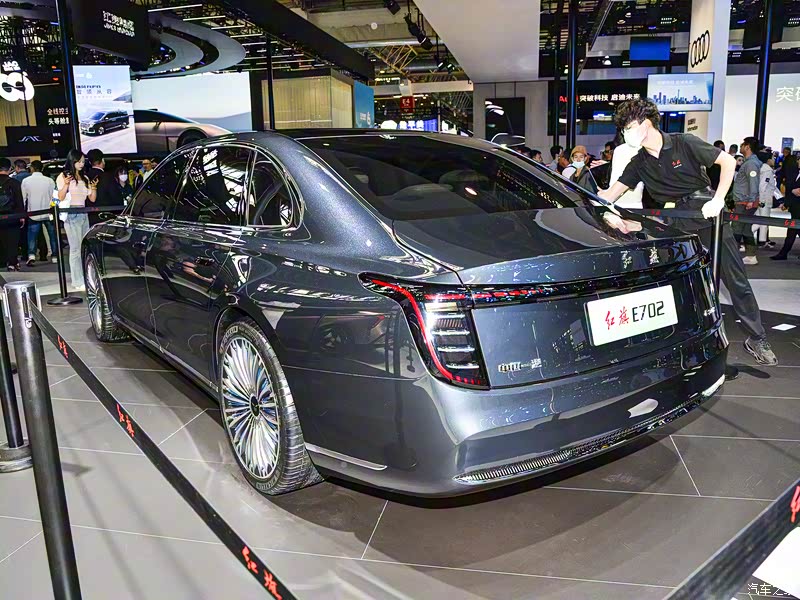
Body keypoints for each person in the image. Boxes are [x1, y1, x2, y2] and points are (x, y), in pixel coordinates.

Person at [598, 98, 777, 366]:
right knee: (678, 284)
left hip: (707, 216)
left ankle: (757, 337)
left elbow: (727, 162)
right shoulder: (639, 162)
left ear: (646, 123)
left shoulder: (683, 142)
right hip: (673, 223)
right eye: (623, 129)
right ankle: (685, 345)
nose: (626, 133)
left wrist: (718, 199)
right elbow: (611, 194)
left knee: (735, 280)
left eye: (629, 126)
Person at [56, 150, 97, 291]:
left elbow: (92, 199)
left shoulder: (84, 177)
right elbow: (60, 197)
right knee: (75, 249)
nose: (81, 164)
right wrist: (66, 184)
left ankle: (85, 278)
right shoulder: (63, 176)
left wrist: (93, 187)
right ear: (72, 161)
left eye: (83, 161)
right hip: (71, 213)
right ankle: (77, 281)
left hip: (84, 213)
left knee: (84, 247)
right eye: (79, 161)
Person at [21, 160, 57, 267]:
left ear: (32, 168)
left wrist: (23, 213)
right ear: (42, 168)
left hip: (33, 212)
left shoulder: (26, 181)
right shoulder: (49, 181)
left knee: (32, 236)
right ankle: (55, 256)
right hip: (48, 212)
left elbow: (23, 199)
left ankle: (31, 255)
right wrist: (54, 208)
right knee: (52, 235)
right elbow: (55, 197)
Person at [733, 137, 763, 265]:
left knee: (736, 228)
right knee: (745, 229)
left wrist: (751, 200)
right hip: (745, 201)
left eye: (742, 144)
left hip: (745, 202)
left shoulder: (751, 164)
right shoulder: (749, 162)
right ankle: (751, 256)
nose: (740, 146)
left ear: (747, 147)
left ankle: (731, 256)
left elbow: (753, 182)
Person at [0, 158, 25, 271]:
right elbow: (19, 200)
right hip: (12, 216)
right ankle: (12, 262)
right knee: (13, 240)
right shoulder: (14, 183)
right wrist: (22, 216)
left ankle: (2, 261)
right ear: (10, 169)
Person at [772, 162, 800, 260]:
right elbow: (791, 188)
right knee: (793, 230)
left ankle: (783, 253)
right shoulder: (796, 173)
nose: (798, 162)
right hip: (795, 207)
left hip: (798, 208)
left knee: (792, 230)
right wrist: (787, 203)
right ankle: (783, 253)